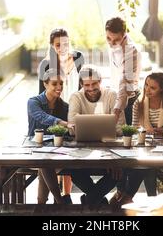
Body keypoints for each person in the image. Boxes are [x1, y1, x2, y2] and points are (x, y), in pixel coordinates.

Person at [110, 72, 163, 205]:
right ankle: (123, 194)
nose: (147, 89)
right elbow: (134, 130)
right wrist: (143, 133)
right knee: (125, 163)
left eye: (153, 87)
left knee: (145, 164)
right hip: (145, 146)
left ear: (162, 88)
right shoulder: (138, 104)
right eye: (146, 85)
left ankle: (125, 196)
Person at [67, 65, 125, 205]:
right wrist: (103, 130)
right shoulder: (76, 97)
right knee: (75, 171)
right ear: (81, 84)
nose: (91, 88)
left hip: (108, 149)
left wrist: (113, 159)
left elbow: (120, 128)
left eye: (94, 84)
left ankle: (90, 200)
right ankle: (97, 200)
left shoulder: (112, 95)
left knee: (117, 172)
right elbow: (71, 127)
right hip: (83, 150)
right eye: (87, 85)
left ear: (100, 81)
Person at [37, 28, 84, 201]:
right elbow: (41, 92)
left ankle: (66, 196)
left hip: (74, 108)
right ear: (51, 46)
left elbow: (82, 86)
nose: (62, 48)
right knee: (53, 156)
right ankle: (54, 201)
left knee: (70, 156)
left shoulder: (78, 58)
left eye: (65, 44)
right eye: (58, 45)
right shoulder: (46, 64)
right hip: (56, 109)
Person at [27, 68, 72, 204]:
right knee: (45, 162)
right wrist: (63, 123)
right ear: (45, 84)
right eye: (54, 84)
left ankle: (42, 206)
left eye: (61, 84)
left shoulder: (64, 107)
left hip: (56, 151)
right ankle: (59, 201)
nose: (59, 87)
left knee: (46, 163)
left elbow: (67, 132)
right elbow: (42, 117)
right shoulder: (33, 102)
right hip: (33, 150)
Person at [105, 17, 141, 125]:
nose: (111, 43)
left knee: (127, 137)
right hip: (116, 97)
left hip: (129, 101)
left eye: (116, 40)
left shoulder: (131, 51)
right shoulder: (113, 46)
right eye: (108, 38)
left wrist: (116, 110)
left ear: (124, 34)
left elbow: (125, 83)